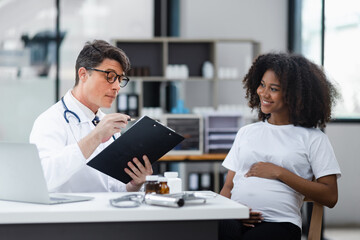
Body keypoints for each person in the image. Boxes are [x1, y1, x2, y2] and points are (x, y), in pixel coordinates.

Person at [219, 53, 341, 240]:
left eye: (273, 89)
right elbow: (228, 187)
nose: (264, 93)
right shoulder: (246, 132)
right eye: (262, 85)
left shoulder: (313, 138)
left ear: (294, 95)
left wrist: (279, 173)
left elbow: (330, 196)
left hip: (279, 223)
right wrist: (233, 213)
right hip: (236, 219)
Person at [30, 40, 153, 193]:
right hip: (71, 215)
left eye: (120, 79)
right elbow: (44, 177)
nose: (116, 86)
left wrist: (134, 185)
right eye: (110, 76)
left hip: (104, 214)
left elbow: (111, 186)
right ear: (83, 74)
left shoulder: (106, 124)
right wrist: (96, 136)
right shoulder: (50, 121)